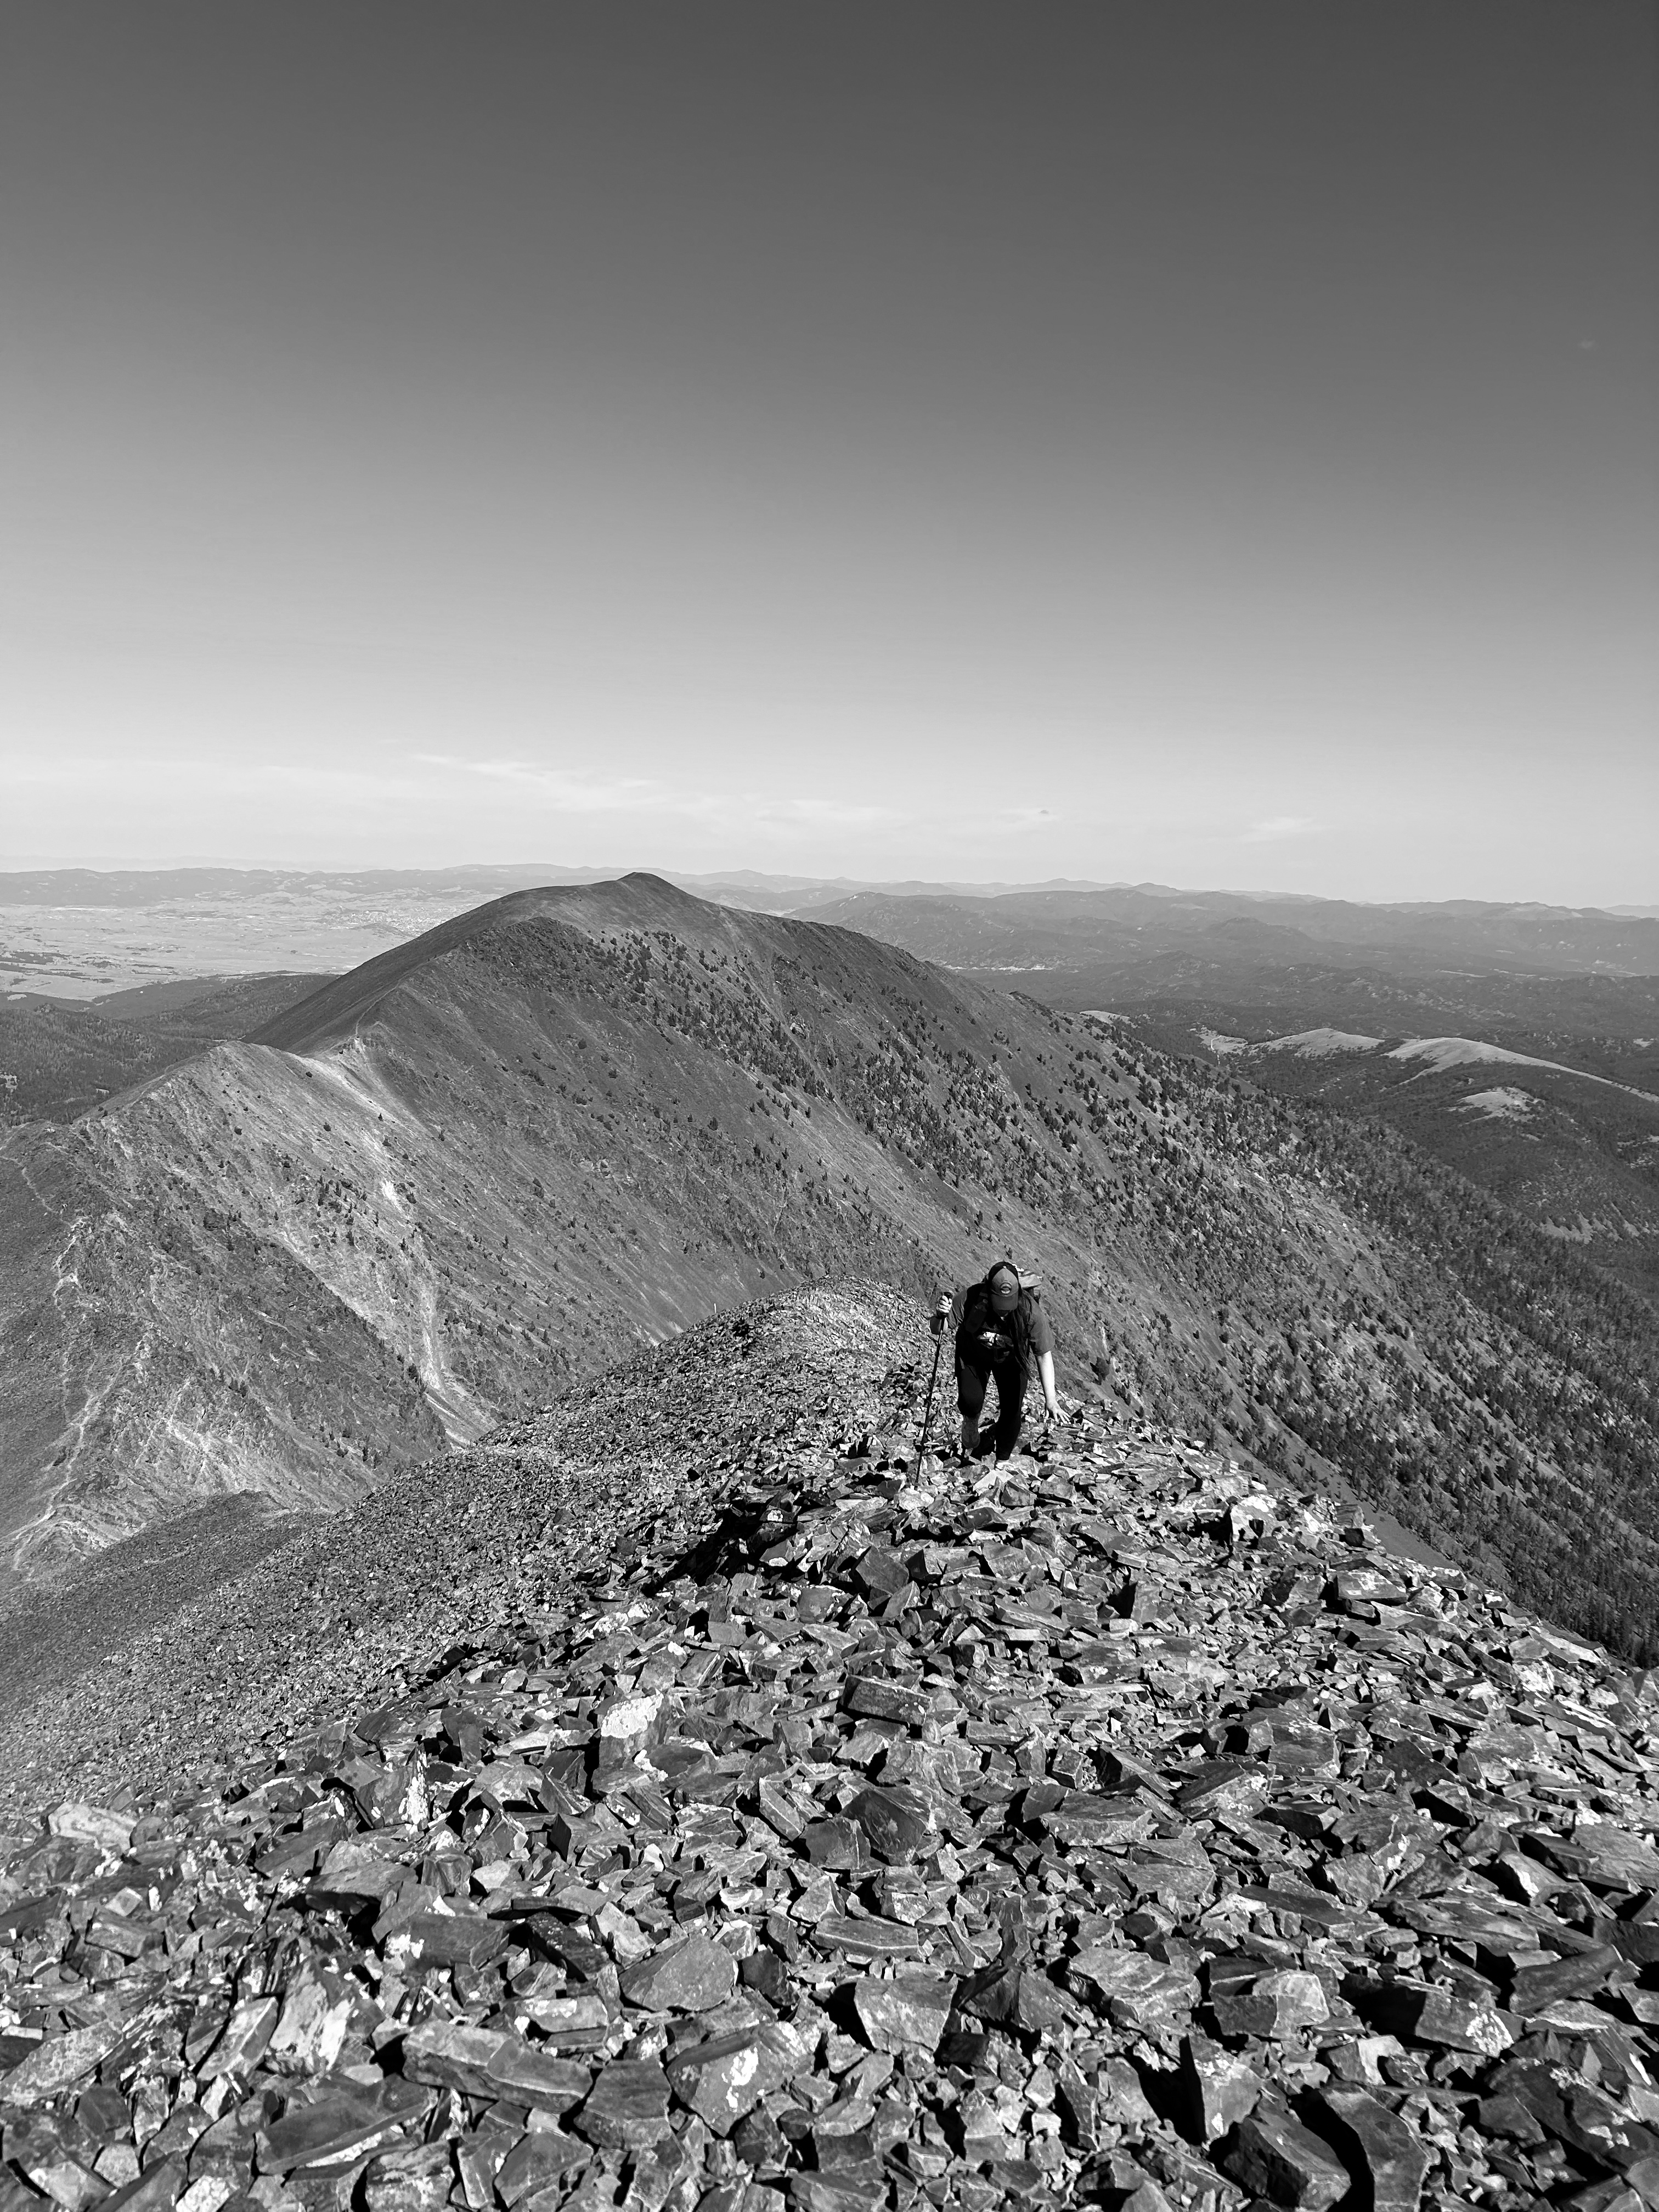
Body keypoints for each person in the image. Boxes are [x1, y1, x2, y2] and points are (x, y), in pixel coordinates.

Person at [935, 1260, 1061, 1462]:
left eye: (1009, 1304)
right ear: (989, 1294)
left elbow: (1043, 1354)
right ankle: (971, 1420)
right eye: (1000, 1305)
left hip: (1011, 1361)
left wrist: (1051, 1400)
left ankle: (1002, 1462)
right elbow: (939, 1329)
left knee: (1012, 1412)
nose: (1004, 1311)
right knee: (971, 1401)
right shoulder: (971, 1297)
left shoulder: (1030, 1311)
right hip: (973, 1355)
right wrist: (940, 1315)